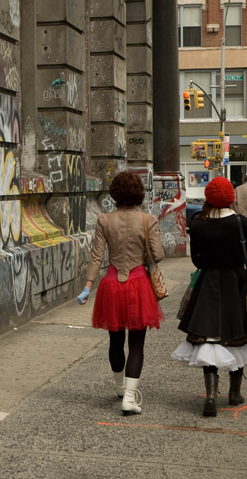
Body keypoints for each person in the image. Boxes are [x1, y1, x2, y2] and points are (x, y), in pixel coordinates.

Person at [172, 177, 247, 417]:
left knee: (210, 337)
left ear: (209, 197)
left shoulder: (199, 223)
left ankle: (211, 395)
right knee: (238, 335)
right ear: (230, 198)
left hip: (209, 283)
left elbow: (197, 260)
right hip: (236, 282)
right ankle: (234, 394)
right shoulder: (241, 222)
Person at [76, 171, 165, 416]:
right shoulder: (149, 220)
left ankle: (119, 387)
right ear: (139, 194)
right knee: (137, 344)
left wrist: (87, 286)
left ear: (115, 194)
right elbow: (157, 255)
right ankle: (129, 397)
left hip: (112, 284)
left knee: (115, 340)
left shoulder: (104, 220)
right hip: (138, 284)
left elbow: (96, 256)